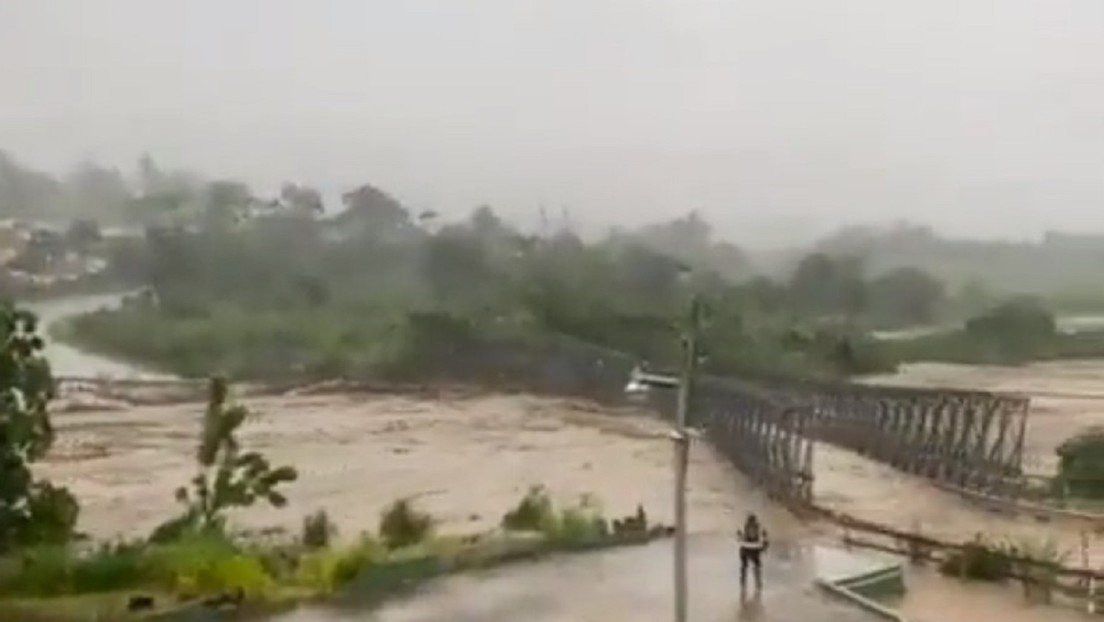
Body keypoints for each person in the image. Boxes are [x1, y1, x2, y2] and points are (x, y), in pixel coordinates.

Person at [737, 513, 768, 592]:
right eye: (750, 526)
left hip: (754, 549)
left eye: (753, 527)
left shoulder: (759, 529)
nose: (752, 530)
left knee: (756, 566)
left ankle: (757, 583)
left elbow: (765, 540)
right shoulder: (745, 528)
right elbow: (739, 538)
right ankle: (744, 582)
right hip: (747, 549)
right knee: (745, 566)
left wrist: (764, 545)